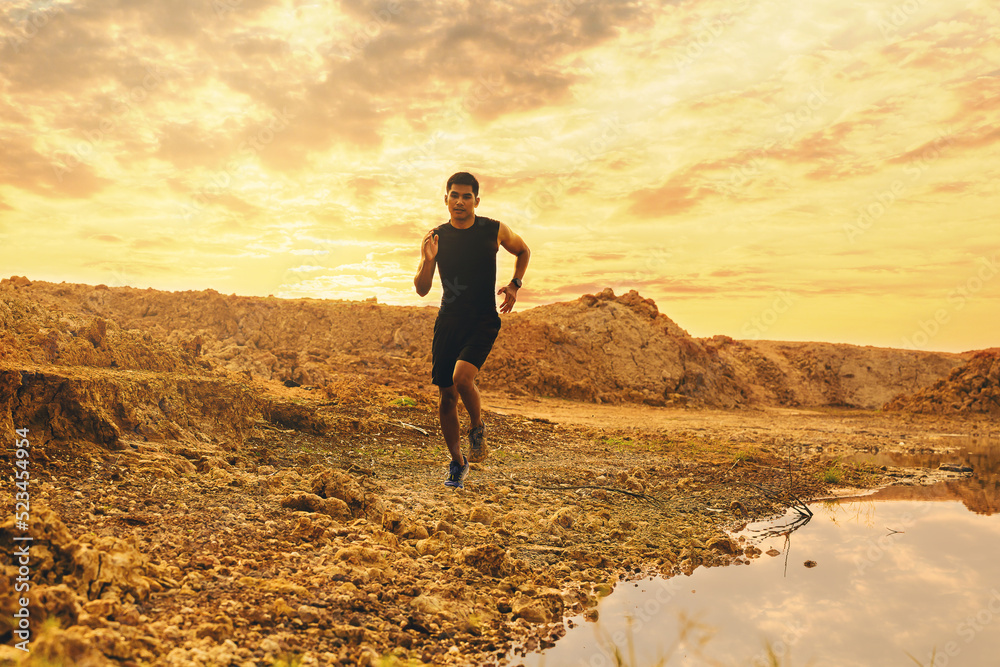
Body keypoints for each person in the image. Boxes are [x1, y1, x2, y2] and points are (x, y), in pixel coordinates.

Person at [414, 172, 530, 488]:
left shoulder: (493, 230)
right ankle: (457, 463)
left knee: (462, 378)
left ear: (476, 201)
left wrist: (515, 285)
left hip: (482, 320)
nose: (460, 201)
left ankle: (477, 428)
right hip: (449, 321)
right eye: (454, 195)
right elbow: (422, 290)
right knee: (447, 398)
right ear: (446, 199)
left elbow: (523, 250)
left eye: (467, 196)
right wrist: (428, 261)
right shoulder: (435, 237)